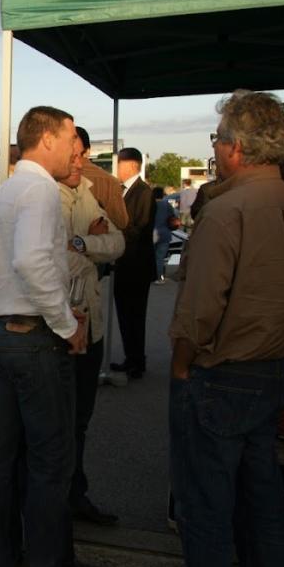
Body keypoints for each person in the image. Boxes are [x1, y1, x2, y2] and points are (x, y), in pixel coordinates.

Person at [169, 89, 284, 567]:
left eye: (216, 140)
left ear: (235, 148)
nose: (213, 151)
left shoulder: (227, 211)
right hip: (272, 369)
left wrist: (183, 365)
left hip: (221, 371)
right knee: (263, 504)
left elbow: (199, 310)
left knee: (207, 507)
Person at [0, 105, 112, 567]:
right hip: (31, 339)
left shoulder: (7, 189)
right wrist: (65, 322)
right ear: (48, 139)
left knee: (1, 454)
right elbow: (33, 260)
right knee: (51, 461)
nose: (76, 148)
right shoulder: (38, 190)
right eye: (71, 137)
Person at [59, 131, 125, 527]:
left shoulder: (86, 190)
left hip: (91, 327)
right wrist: (87, 244)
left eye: (84, 155)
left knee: (80, 422)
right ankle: (54, 508)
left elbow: (116, 242)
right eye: (76, 155)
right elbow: (55, 263)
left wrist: (81, 243)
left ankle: (74, 495)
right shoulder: (45, 196)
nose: (81, 162)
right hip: (63, 329)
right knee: (58, 426)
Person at [110, 147, 156, 380]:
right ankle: (131, 358)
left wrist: (113, 230)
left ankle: (137, 361)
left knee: (135, 316)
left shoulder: (143, 192)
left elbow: (139, 227)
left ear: (130, 166)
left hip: (136, 267)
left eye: (118, 165)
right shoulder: (125, 191)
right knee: (125, 316)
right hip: (124, 265)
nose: (116, 170)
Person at [77, 128, 129, 232]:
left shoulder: (52, 178)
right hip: (97, 244)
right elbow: (121, 222)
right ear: (88, 151)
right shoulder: (109, 181)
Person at [151, 187, 176, 284]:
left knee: (151, 256)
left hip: (151, 234)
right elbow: (173, 217)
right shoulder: (167, 205)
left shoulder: (150, 205)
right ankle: (159, 277)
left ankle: (151, 276)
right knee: (160, 257)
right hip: (165, 233)